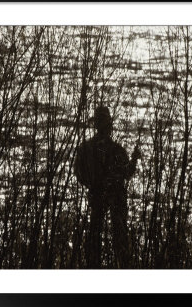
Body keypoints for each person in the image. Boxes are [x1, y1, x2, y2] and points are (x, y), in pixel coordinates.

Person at [74, 106, 140, 268]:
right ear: (109, 126)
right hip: (115, 196)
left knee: (94, 234)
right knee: (119, 237)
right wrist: (134, 159)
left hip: (96, 195)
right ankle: (121, 265)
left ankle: (93, 264)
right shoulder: (116, 150)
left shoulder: (85, 148)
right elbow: (127, 173)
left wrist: (92, 185)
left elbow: (78, 172)